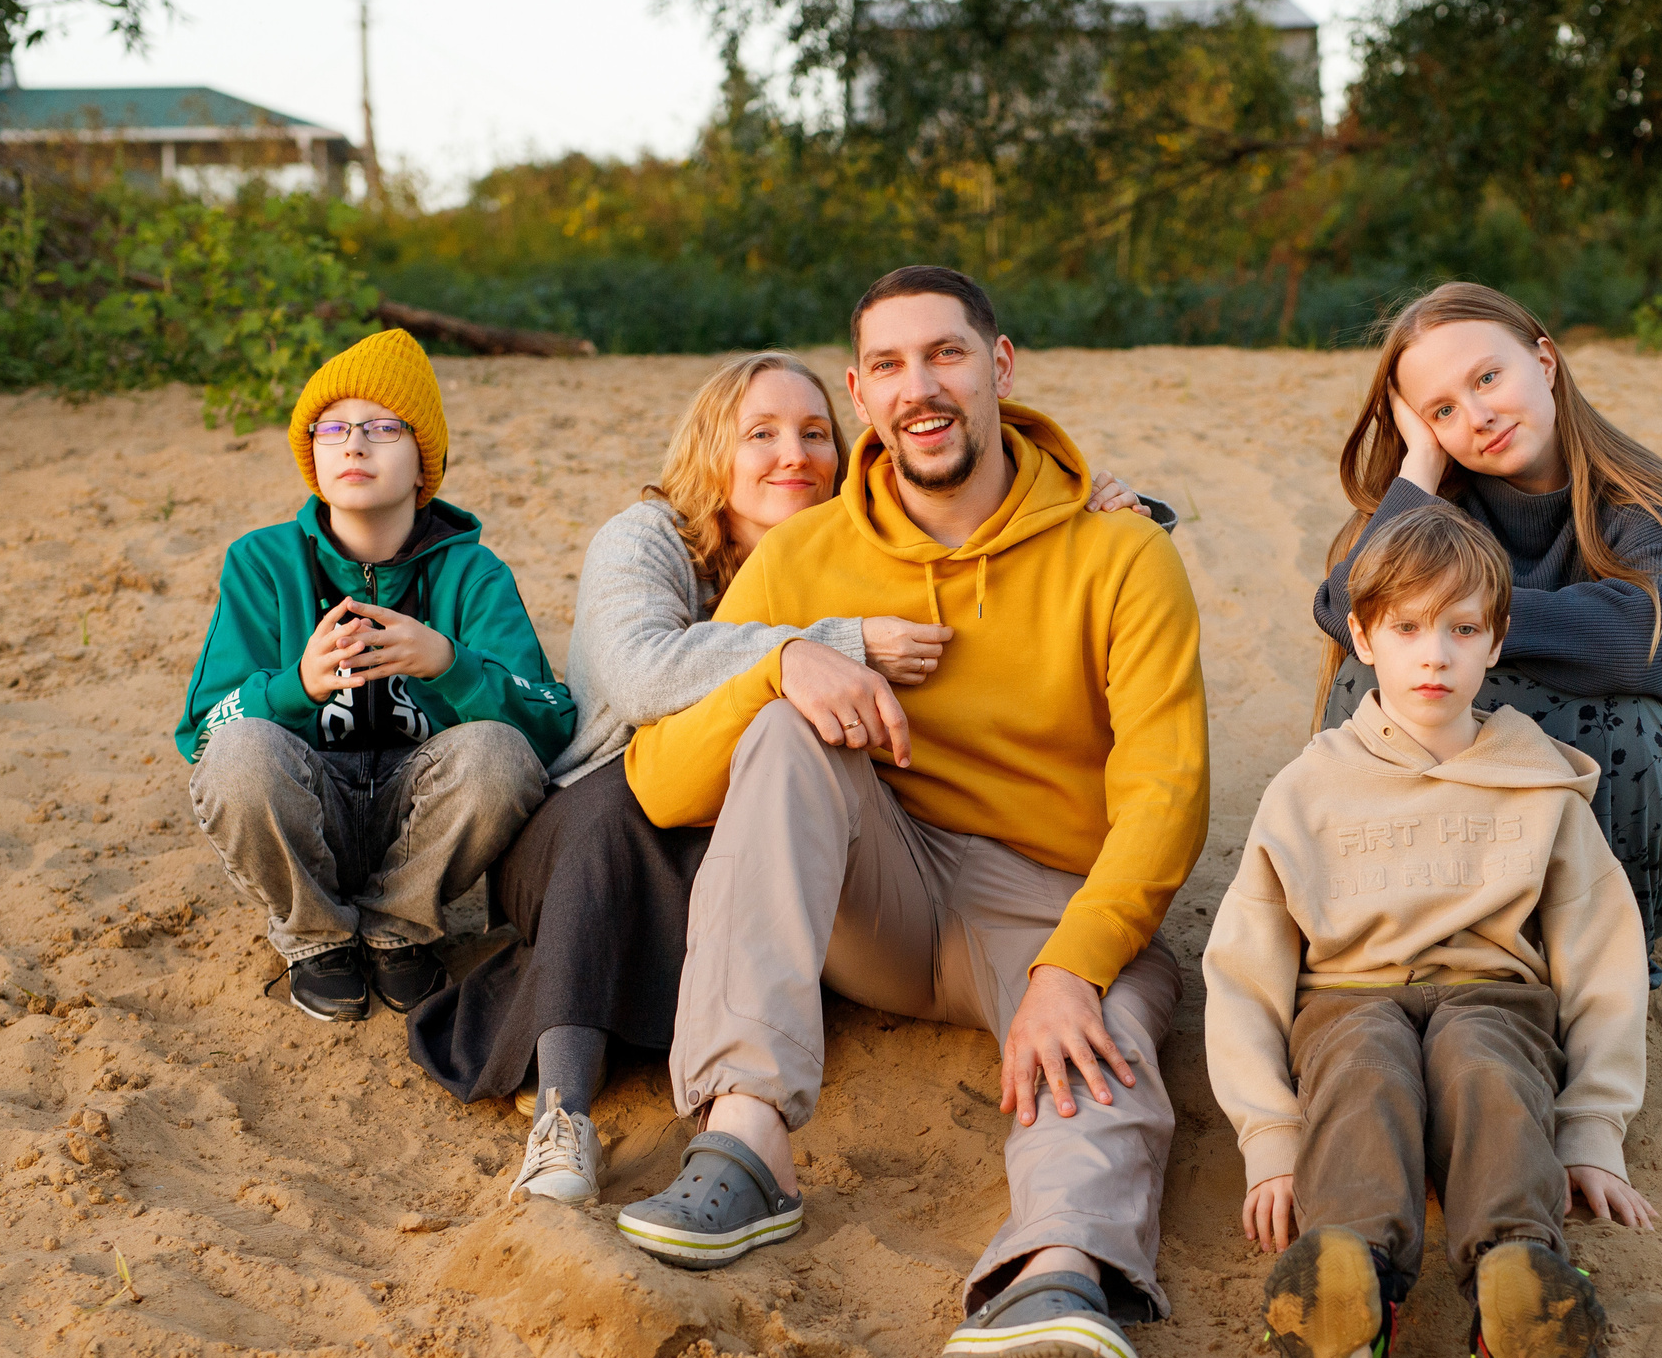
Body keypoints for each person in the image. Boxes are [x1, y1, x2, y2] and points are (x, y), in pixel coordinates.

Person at [614, 266, 1208, 1358]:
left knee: (1101, 1040)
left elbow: (1167, 790)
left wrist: (1074, 965)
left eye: (944, 355)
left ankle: (1057, 1275)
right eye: (887, 365)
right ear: (858, 390)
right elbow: (663, 781)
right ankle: (744, 1141)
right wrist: (785, 661)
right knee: (785, 734)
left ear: (1000, 366)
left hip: (1043, 902)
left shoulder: (1121, 553)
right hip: (873, 889)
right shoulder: (801, 558)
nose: (918, 388)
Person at [403, 350, 1160, 1205]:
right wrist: (825, 646)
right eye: (759, 434)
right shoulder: (648, 538)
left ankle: (727, 1104)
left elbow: (974, 529)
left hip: (726, 827)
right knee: (618, 807)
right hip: (594, 815)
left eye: (812, 434)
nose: (792, 454)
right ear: (711, 453)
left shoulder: (853, 548)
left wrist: (1088, 498)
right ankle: (563, 1109)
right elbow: (641, 675)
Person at [1207, 501, 1655, 1358]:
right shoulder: (1310, 786)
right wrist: (1269, 1138)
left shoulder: (1540, 782)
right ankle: (1346, 1296)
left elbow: (1602, 956)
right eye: (1408, 628)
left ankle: (1520, 1293)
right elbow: (1246, 968)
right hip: (1348, 997)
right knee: (1364, 1076)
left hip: (1492, 998)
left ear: (1495, 642)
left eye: (1461, 629)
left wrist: (1594, 1126)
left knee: (1487, 1074)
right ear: (1363, 636)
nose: (1435, 655)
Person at [1313, 282, 1662, 953]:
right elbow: (1346, 613)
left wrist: (1459, 620)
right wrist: (1418, 474)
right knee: (1367, 689)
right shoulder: (1433, 508)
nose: (1478, 415)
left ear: (1544, 362)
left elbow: (1644, 641)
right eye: (1444, 410)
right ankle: (1426, 931)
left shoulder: (1646, 501)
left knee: (1627, 722)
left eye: (1488, 377)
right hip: (1478, 839)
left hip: (1644, 824)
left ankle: (1609, 954)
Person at [177, 329, 576, 1023]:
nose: (354, 443)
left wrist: (451, 666)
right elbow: (202, 733)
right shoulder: (262, 563)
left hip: (420, 819)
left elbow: (547, 725)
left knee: (499, 755)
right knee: (241, 753)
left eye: (383, 427)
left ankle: (398, 928)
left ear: (425, 463)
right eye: (332, 428)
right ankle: (317, 938)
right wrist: (294, 687)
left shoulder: (472, 573)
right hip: (308, 806)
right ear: (313, 458)